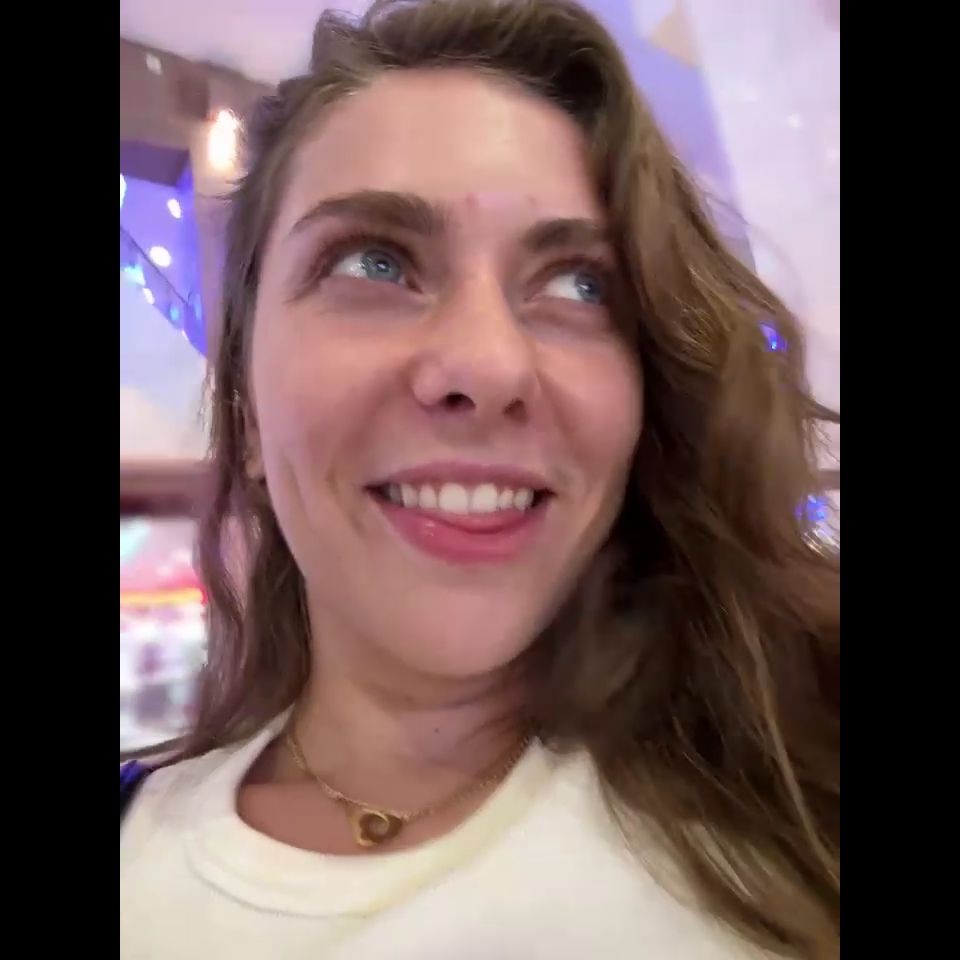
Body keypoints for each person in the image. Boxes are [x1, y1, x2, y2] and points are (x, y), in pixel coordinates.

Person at [119, 1, 840, 958]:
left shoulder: (805, 792)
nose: (488, 365)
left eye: (581, 283)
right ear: (247, 409)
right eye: (374, 262)